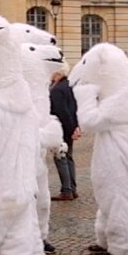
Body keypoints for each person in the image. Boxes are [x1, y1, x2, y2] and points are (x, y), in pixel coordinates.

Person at [49, 68, 80, 201]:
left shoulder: (56, 90)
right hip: (69, 126)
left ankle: (66, 190)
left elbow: (62, 111)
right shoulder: (69, 86)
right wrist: (75, 127)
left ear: (58, 73)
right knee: (69, 158)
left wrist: (69, 128)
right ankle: (72, 188)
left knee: (61, 158)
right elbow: (74, 108)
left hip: (61, 128)